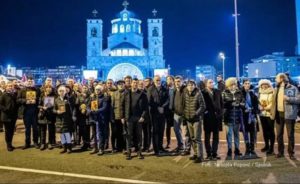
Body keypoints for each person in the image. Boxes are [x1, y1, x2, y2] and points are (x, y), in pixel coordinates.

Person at [271, 73, 300, 160]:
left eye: (279, 79)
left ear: (284, 79)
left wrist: (288, 99)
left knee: (290, 135)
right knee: (279, 134)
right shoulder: (276, 89)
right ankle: (280, 152)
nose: (278, 80)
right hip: (278, 115)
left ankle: (291, 153)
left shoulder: (293, 88)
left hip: (289, 115)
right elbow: (273, 102)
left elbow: (298, 100)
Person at [122, 79, 148, 160]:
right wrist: (123, 117)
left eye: (136, 83)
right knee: (129, 136)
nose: (135, 84)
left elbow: (146, 107)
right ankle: (129, 152)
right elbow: (122, 106)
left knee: (139, 135)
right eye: (134, 83)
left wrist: (143, 116)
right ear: (131, 84)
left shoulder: (142, 94)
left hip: (138, 118)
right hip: (129, 117)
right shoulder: (126, 93)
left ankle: (139, 152)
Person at [183, 80, 206, 163]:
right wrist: (186, 115)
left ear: (195, 86)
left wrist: (196, 114)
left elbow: (203, 106)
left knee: (197, 138)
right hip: (189, 119)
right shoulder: (186, 94)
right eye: (189, 85)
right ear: (187, 86)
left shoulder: (198, 93)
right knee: (192, 138)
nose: (190, 86)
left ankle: (200, 157)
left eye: (192, 85)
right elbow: (185, 105)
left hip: (196, 120)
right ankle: (196, 154)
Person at [223, 77, 244, 160]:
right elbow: (222, 104)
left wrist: (239, 104)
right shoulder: (224, 93)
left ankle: (237, 149)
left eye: (234, 84)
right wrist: (230, 104)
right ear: (228, 86)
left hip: (237, 117)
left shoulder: (239, 93)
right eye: (231, 85)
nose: (233, 86)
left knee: (236, 135)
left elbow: (243, 102)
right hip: (228, 117)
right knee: (229, 135)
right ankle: (229, 149)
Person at [147, 75, 169, 156]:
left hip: (162, 114)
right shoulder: (150, 89)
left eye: (159, 80)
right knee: (155, 132)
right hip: (154, 114)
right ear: (154, 81)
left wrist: (163, 107)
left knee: (161, 131)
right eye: (156, 80)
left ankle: (160, 147)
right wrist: (157, 108)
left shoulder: (164, 89)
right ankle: (156, 149)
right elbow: (149, 101)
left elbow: (167, 99)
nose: (158, 81)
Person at [202, 79, 223, 160]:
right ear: (206, 84)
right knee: (207, 137)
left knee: (216, 137)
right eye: (210, 82)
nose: (212, 83)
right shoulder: (203, 92)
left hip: (217, 117)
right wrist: (205, 112)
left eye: (212, 82)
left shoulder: (217, 91)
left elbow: (221, 103)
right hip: (207, 118)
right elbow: (200, 104)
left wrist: (221, 113)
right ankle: (208, 153)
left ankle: (214, 153)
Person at [17, 77, 41, 149]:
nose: (30, 82)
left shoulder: (37, 89)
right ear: (26, 82)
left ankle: (35, 142)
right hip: (26, 112)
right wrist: (25, 101)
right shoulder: (22, 90)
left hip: (35, 112)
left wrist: (35, 100)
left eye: (31, 81)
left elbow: (40, 98)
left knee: (35, 128)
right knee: (27, 129)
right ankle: (27, 143)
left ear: (33, 82)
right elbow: (18, 100)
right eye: (29, 81)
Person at [88, 84, 109, 155]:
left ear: (101, 90)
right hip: (93, 118)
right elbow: (87, 105)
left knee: (100, 134)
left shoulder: (104, 98)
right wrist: (89, 110)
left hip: (100, 119)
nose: (97, 91)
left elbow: (105, 107)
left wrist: (97, 110)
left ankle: (101, 148)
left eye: (98, 89)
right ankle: (95, 148)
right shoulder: (92, 97)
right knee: (94, 133)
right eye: (96, 89)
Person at [54, 85, 75, 154]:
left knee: (68, 134)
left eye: (63, 91)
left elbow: (73, 108)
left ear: (65, 91)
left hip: (67, 119)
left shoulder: (69, 98)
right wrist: (57, 111)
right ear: (58, 92)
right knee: (62, 134)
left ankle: (69, 148)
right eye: (60, 91)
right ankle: (64, 147)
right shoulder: (56, 100)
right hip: (59, 119)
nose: (61, 92)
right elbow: (53, 109)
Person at [241, 79, 259, 159]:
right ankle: (247, 149)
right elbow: (239, 104)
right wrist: (244, 109)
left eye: (248, 83)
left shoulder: (253, 93)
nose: (247, 85)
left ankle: (252, 149)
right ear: (243, 85)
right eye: (246, 83)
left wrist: (254, 111)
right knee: (245, 133)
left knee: (253, 133)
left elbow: (256, 105)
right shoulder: (240, 94)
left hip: (252, 116)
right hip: (244, 116)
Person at [258, 79, 275, 155]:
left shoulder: (272, 92)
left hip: (269, 113)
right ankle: (266, 146)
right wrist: (259, 107)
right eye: (262, 84)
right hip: (262, 114)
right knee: (264, 130)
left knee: (271, 131)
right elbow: (258, 101)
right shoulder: (259, 92)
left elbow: (273, 102)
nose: (264, 85)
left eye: (266, 84)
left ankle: (271, 148)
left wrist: (265, 108)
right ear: (260, 85)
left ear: (269, 85)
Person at [0, 82, 18, 151]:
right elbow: (0, 105)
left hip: (13, 116)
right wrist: (6, 109)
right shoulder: (3, 95)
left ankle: (10, 144)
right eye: (9, 86)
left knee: (11, 131)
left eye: (11, 86)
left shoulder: (13, 95)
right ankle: (8, 145)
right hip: (6, 116)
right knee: (7, 131)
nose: (10, 87)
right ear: (6, 87)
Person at [38, 84, 56, 150]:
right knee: (43, 130)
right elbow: (38, 105)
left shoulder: (54, 96)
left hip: (50, 115)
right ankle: (43, 143)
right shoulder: (42, 96)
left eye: (50, 87)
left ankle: (50, 143)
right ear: (45, 88)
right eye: (47, 87)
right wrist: (42, 107)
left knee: (50, 130)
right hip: (43, 115)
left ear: (51, 89)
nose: (48, 88)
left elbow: (55, 105)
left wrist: (51, 107)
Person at [111, 80, 126, 153]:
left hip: (124, 117)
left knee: (123, 133)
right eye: (119, 84)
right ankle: (115, 147)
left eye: (122, 84)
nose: (120, 85)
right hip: (115, 116)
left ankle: (123, 147)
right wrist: (112, 117)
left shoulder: (127, 93)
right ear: (117, 85)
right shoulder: (114, 94)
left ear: (124, 85)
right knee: (115, 132)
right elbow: (112, 106)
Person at [165, 76, 175, 149]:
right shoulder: (165, 89)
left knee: (177, 128)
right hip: (167, 111)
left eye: (170, 79)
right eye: (167, 79)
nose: (169, 81)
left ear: (173, 80)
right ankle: (168, 143)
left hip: (175, 111)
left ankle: (180, 144)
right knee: (167, 128)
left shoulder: (176, 89)